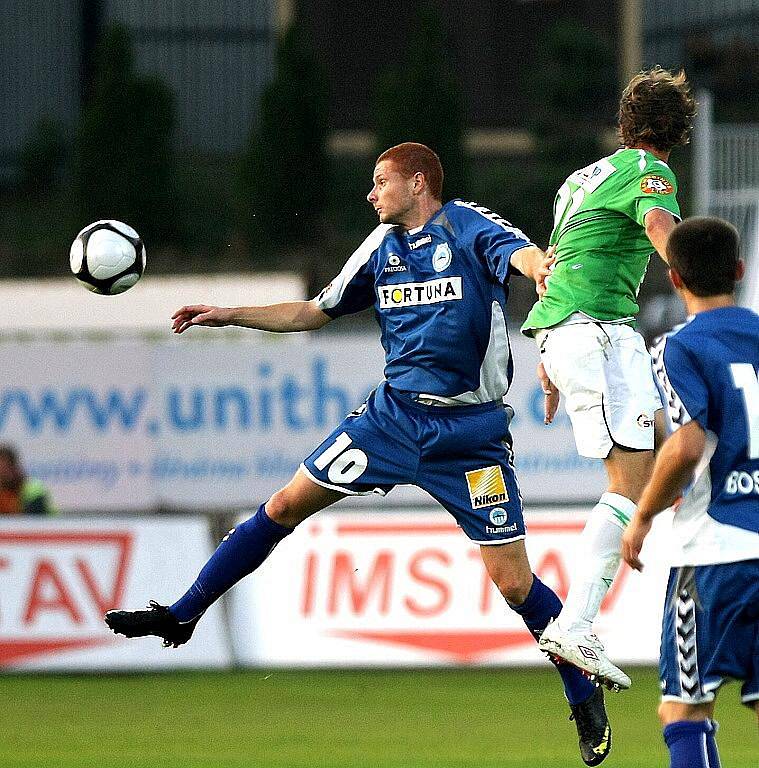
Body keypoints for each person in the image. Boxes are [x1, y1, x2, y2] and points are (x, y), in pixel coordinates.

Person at [106, 142, 613, 765]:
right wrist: (229, 313)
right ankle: (183, 613)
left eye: (381, 182)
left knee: (513, 585)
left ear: (417, 182)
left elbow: (523, 253)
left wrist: (539, 270)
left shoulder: (468, 226)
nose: (371, 195)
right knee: (288, 502)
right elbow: (313, 311)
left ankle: (580, 693)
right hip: (391, 421)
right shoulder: (380, 249)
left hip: (471, 439)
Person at [521, 67, 698, 689]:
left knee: (650, 466)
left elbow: (560, 262)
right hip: (592, 330)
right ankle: (575, 623)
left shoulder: (578, 179)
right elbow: (660, 231)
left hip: (592, 330)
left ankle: (582, 619)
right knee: (628, 484)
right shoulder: (653, 173)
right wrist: (705, 289)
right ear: (674, 131)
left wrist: (546, 359)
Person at [621, 217, 759, 767]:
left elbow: (685, 445)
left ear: (674, 279)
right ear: (740, 272)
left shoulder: (677, 347)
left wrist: (644, 515)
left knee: (684, 708)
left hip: (715, 552)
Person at [0, 445, 56, 516]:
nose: (2, 474)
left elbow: (30, 520)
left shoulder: (34, 489)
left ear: (14, 468)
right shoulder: (4, 492)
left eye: (4, 468)